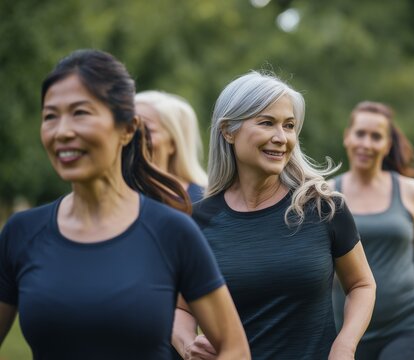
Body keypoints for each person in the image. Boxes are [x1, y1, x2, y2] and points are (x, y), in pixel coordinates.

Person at [0, 49, 250, 360]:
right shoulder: (21, 233)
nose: (62, 131)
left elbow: (235, 349)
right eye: (50, 116)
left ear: (128, 129)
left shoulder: (173, 231)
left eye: (80, 113)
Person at [173, 71, 376, 360]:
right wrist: (187, 345)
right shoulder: (199, 221)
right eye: (267, 123)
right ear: (228, 131)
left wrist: (345, 345)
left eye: (289, 125)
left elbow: (362, 284)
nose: (281, 138)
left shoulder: (323, 208)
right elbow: (180, 308)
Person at [331, 101, 414, 360]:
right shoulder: (326, 195)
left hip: (407, 325)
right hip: (345, 332)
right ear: (347, 137)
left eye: (376, 136)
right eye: (360, 133)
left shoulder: (411, 191)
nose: (366, 143)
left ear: (387, 145)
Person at [135, 91, 207, 203]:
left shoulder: (206, 201)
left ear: (174, 143)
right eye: (128, 126)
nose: (132, 135)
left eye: (146, 130)